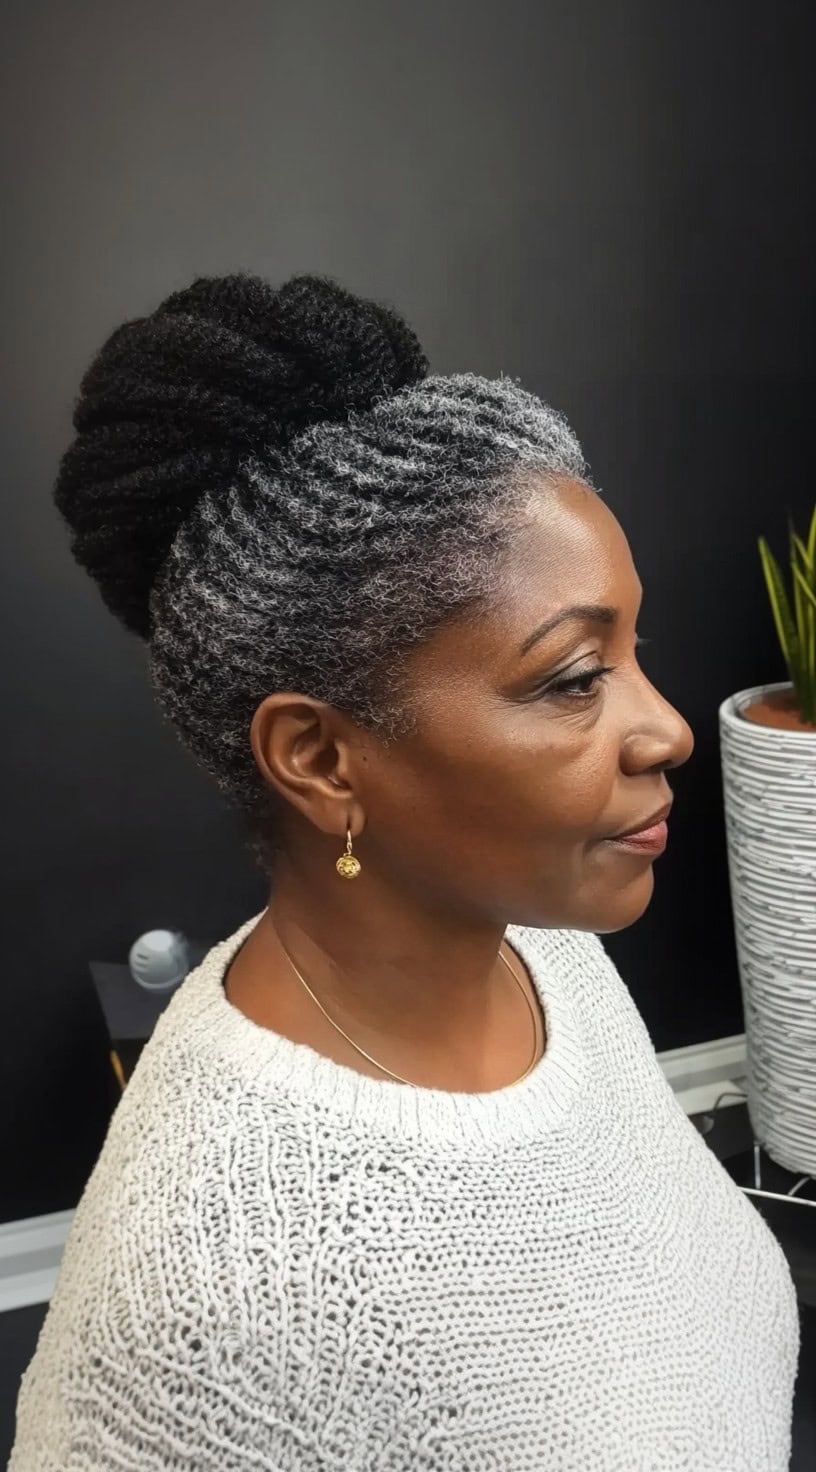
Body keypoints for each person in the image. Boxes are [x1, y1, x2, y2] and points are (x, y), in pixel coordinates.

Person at [10, 273, 799, 1470]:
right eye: (576, 677)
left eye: (634, 649)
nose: (669, 727)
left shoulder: (549, 957)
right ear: (322, 757)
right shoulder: (213, 1293)